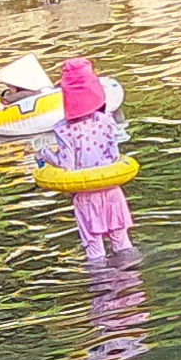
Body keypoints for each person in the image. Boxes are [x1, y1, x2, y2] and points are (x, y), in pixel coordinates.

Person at [37, 56, 137, 268]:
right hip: (112, 190)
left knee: (95, 251)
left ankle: (101, 286)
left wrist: (44, 154)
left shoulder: (64, 130)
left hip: (86, 196)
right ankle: (132, 282)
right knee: (123, 244)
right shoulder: (107, 121)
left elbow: (67, 165)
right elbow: (114, 155)